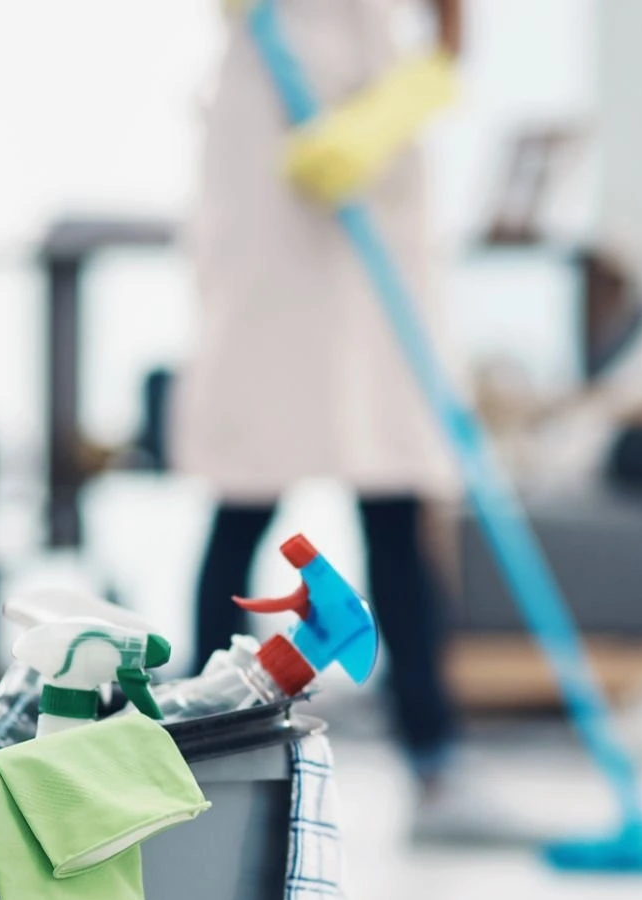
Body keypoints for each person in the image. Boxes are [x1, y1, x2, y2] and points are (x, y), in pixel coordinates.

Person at [173, 0, 490, 841]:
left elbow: (452, 28)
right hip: (263, 148)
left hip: (372, 147)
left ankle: (436, 762)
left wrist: (396, 107)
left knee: (395, 476)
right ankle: (195, 759)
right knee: (245, 476)